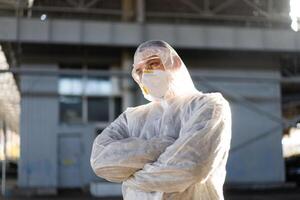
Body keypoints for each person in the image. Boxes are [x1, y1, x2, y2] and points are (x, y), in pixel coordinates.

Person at [90, 40, 232, 200]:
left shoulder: (209, 106)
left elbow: (189, 168)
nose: (145, 74)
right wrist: (165, 145)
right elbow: (101, 161)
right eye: (140, 71)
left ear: (175, 64)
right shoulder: (131, 117)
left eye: (152, 64)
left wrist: (131, 179)